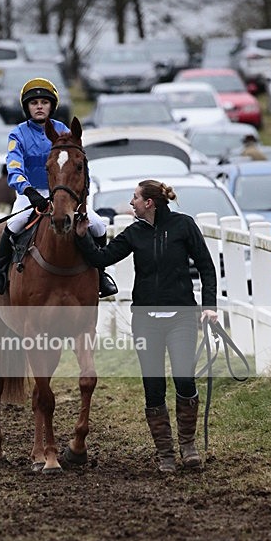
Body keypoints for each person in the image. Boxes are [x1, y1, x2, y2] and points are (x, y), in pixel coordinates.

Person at [75, 179, 218, 474]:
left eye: (135, 198)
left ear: (149, 203)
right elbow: (102, 258)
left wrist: (210, 306)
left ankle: (188, 446)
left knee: (184, 379)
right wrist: (81, 237)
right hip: (145, 320)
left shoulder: (184, 226)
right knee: (153, 387)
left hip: (181, 317)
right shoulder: (134, 233)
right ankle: (165, 453)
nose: (131, 203)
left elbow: (206, 266)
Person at [0, 78, 118, 297]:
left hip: (64, 194)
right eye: (34, 102)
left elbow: (79, 166)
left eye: (44, 102)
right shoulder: (17, 134)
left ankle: (101, 274)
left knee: (98, 225)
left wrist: (79, 198)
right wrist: (28, 191)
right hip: (31, 194)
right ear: (27, 107)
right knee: (15, 222)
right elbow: (14, 166)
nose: (39, 106)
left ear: (52, 106)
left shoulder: (63, 130)